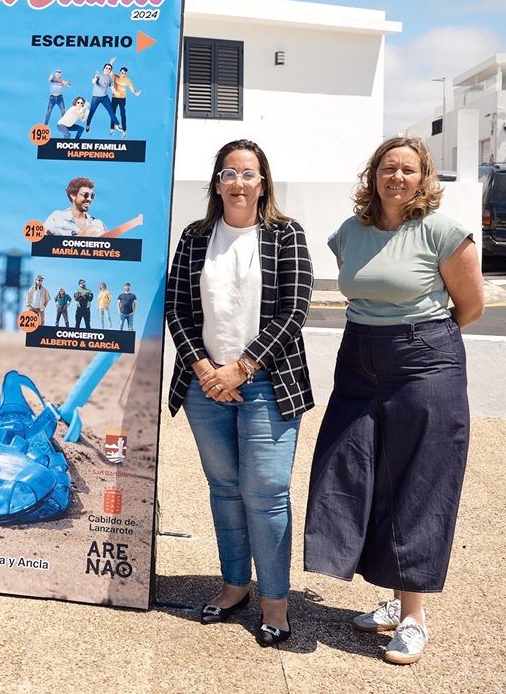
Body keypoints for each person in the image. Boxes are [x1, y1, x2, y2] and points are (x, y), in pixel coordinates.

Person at [303, 136, 484, 665]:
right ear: (373, 175)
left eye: (408, 169)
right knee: (351, 472)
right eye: (388, 168)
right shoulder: (349, 233)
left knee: (420, 480)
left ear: (423, 176)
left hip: (426, 362)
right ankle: (392, 592)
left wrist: (418, 344)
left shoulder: (443, 232)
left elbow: (469, 308)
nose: (397, 177)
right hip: (359, 359)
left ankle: (413, 617)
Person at [164, 138, 313, 648]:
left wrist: (243, 367)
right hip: (206, 385)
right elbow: (176, 307)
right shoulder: (196, 235)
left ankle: (275, 602)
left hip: (269, 383)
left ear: (262, 182)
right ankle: (234, 586)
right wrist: (204, 367)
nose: (238, 183)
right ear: (217, 183)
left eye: (248, 174)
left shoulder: (286, 235)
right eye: (229, 174)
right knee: (224, 489)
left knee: (267, 494)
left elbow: (295, 311)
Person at [84, 58, 117, 133]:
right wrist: (94, 80)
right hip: (96, 97)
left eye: (109, 69)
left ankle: (117, 124)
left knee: (111, 111)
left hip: (105, 97)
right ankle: (88, 125)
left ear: (110, 70)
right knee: (92, 112)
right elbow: (94, 79)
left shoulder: (110, 79)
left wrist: (116, 92)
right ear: (103, 68)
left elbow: (112, 88)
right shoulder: (99, 74)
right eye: (106, 68)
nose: (108, 69)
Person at [110, 66, 140, 138]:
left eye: (124, 73)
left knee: (123, 114)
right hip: (114, 98)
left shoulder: (127, 80)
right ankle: (112, 128)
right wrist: (111, 62)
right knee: (112, 113)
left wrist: (135, 93)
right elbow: (109, 71)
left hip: (122, 99)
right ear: (120, 72)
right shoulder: (115, 77)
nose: (123, 74)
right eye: (122, 72)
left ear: (126, 74)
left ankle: (124, 130)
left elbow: (131, 88)